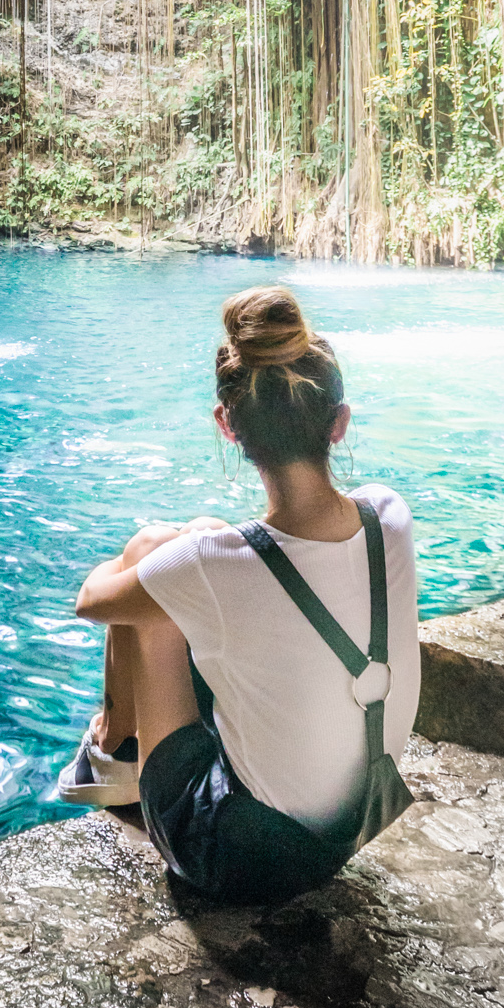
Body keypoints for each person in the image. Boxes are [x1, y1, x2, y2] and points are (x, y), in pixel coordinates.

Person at [59, 284, 420, 904]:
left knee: (156, 555)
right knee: (191, 554)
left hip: (236, 857)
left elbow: (91, 602)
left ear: (227, 426)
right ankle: (113, 758)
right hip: (354, 825)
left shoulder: (211, 565)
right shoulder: (389, 514)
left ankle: (113, 755)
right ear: (339, 424)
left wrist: (154, 557)